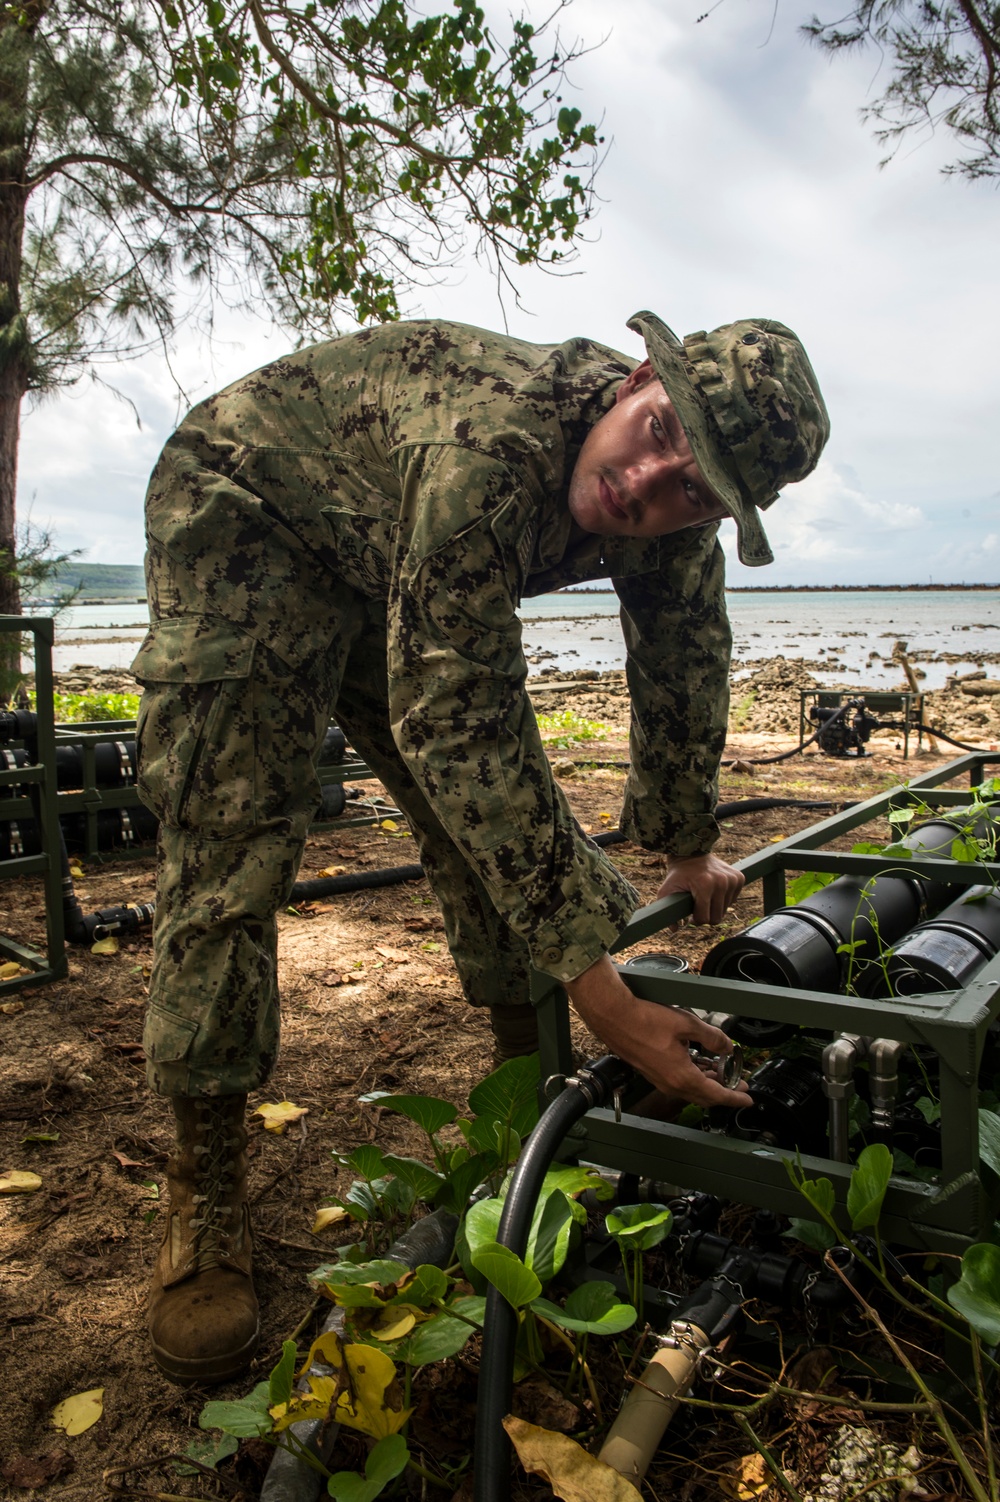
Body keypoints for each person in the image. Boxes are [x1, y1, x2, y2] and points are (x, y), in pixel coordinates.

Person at [133, 309, 829, 1384]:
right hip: (249, 505)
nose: (647, 483)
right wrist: (604, 990)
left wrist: (687, 842)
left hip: (381, 546)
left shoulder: (680, 505)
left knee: (486, 822)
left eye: (692, 487)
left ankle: (536, 1101)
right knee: (233, 846)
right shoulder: (487, 449)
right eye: (653, 431)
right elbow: (458, 716)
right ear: (642, 375)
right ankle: (205, 1191)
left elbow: (685, 658)